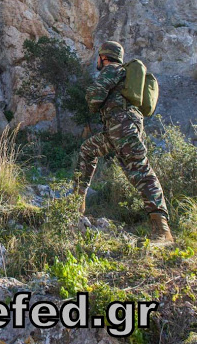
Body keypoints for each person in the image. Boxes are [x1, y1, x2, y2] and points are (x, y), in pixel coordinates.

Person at [74, 40, 174, 245]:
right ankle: (77, 203)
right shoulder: (122, 73)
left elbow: (94, 98)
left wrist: (92, 96)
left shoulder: (111, 70)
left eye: (99, 58)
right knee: (87, 150)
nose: (98, 61)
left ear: (104, 57)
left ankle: (162, 231)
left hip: (122, 127)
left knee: (140, 170)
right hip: (117, 128)